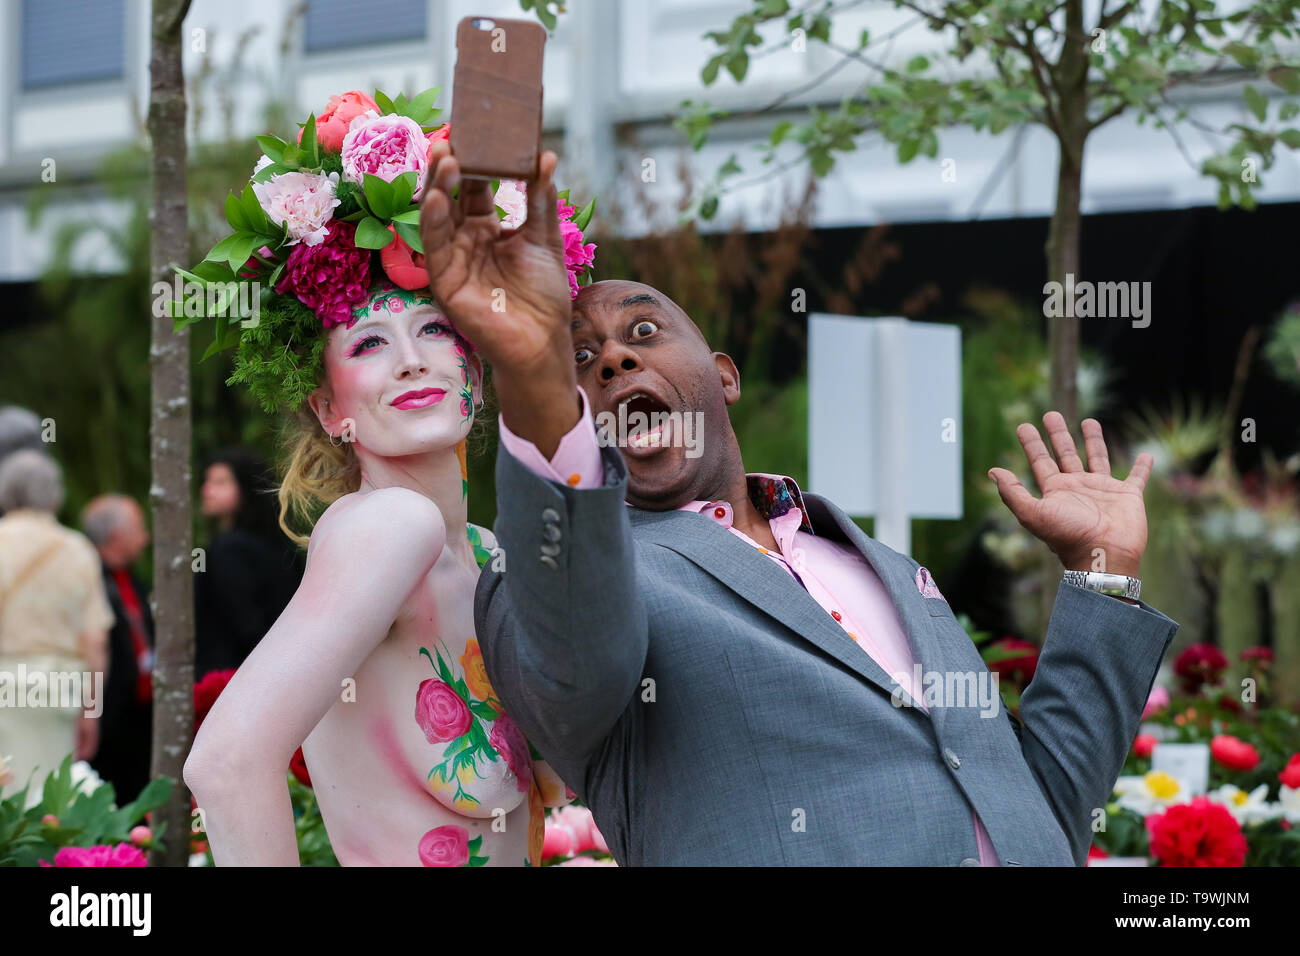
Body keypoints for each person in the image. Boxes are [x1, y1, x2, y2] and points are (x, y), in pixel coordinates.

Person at [418, 138, 1181, 866]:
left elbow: (1042, 805)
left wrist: (1101, 572)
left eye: (643, 330)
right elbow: (575, 661)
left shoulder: (885, 567)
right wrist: (534, 375)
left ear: (723, 377)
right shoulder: (558, 586)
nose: (614, 358)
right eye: (579, 360)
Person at [183, 88, 581, 866]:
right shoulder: (387, 529)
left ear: (473, 360)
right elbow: (225, 766)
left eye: (434, 327)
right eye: (367, 343)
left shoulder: (484, 548)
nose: (411, 356)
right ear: (331, 408)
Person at [0, 451, 114, 807]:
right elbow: (95, 639)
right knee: (50, 801)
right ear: (54, 494)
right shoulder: (77, 549)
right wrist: (91, 711)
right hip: (58, 686)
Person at [194, 447, 304, 677]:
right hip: (279, 664)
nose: (207, 490)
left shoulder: (229, 548)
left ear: (245, 488)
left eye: (221, 482)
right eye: (207, 481)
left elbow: (245, 621)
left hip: (231, 675)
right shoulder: (281, 544)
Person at [82, 494, 154, 804]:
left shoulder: (132, 579)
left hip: (141, 712)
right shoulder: (88, 577)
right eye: (139, 527)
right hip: (107, 715)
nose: (146, 537)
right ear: (116, 534)